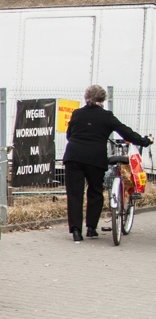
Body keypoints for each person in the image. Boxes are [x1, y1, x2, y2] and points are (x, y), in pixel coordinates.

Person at [63, 84, 152, 242]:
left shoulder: (77, 114)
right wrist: (145, 141)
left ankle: (76, 231)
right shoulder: (106, 116)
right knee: (95, 192)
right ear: (102, 99)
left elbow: (69, 135)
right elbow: (126, 132)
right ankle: (91, 228)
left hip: (73, 156)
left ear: (86, 97)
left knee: (75, 194)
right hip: (95, 159)